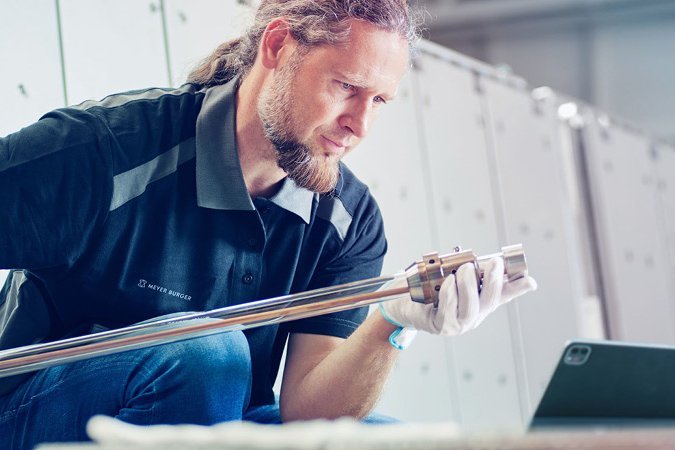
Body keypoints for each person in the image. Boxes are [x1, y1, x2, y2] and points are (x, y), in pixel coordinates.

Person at [0, 0, 537, 447]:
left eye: (379, 100)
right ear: (278, 47)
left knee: (382, 439)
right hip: (35, 414)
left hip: (216, 421)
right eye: (346, 86)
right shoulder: (109, 150)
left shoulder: (347, 220)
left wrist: (390, 325)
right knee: (212, 355)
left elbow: (311, 415)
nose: (360, 124)